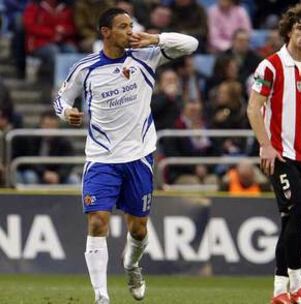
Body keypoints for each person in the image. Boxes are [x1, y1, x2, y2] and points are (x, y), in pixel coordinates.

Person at [53, 7, 198, 304]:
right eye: (122, 26)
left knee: (139, 228)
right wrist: (67, 113)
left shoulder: (146, 57)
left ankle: (132, 266)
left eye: (131, 25)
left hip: (139, 157)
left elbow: (191, 44)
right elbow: (60, 99)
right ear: (105, 32)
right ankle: (101, 296)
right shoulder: (86, 68)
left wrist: (154, 39)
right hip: (101, 158)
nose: (129, 31)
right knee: (97, 222)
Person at [247, 4, 301, 304]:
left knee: (291, 220)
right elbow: (253, 108)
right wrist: (265, 144)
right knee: (300, 210)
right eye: (300, 28)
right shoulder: (270, 66)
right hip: (280, 155)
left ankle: (280, 291)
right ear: (289, 31)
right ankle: (297, 283)